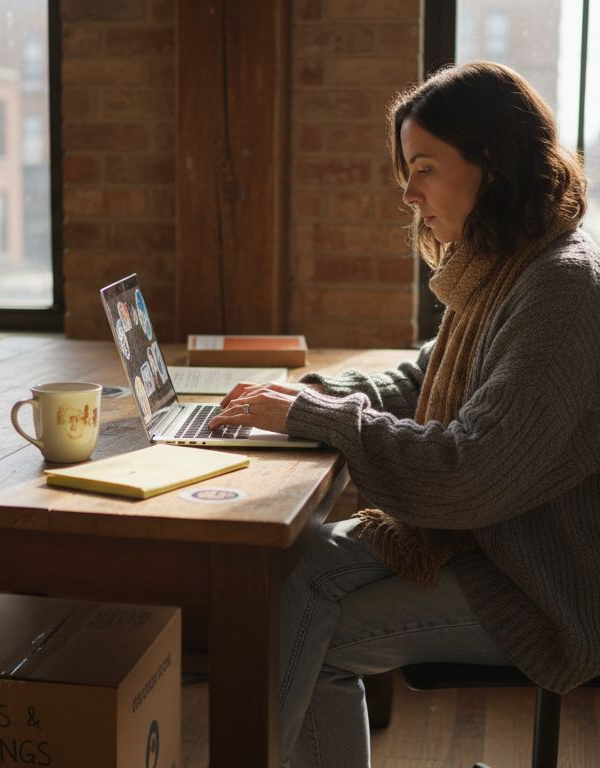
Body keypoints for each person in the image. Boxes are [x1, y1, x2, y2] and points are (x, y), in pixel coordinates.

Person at [209, 61, 600, 768]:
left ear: (493, 163)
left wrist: (317, 417)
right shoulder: (508, 262)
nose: (408, 192)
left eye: (424, 168)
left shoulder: (560, 290)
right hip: (495, 542)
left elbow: (470, 474)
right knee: (291, 574)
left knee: (302, 632)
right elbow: (421, 376)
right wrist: (305, 396)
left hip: (549, 579)